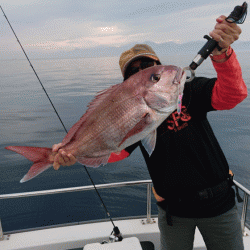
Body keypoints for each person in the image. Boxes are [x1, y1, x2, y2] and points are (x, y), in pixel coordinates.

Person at [51, 15, 247, 249]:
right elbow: (117, 151)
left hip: (219, 205)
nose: (143, 72)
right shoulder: (128, 114)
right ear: (128, 83)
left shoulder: (190, 91)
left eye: (151, 69)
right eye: (134, 71)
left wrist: (222, 54)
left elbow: (232, 95)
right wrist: (73, 153)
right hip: (174, 212)